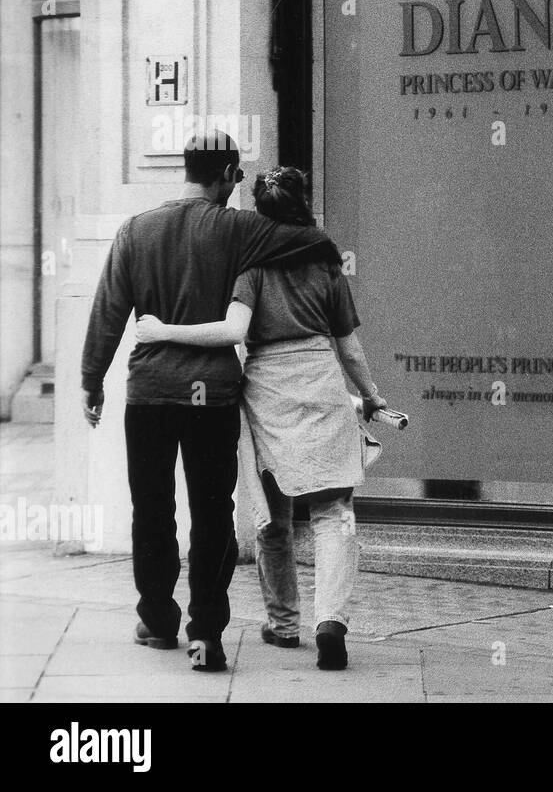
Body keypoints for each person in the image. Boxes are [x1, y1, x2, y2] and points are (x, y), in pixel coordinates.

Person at [81, 132, 342, 672]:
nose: (238, 184)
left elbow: (107, 310)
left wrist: (91, 380)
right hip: (212, 397)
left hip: (150, 393)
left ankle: (156, 619)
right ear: (226, 172)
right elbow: (307, 238)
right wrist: (321, 244)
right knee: (212, 514)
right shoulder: (238, 230)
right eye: (238, 175)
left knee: (151, 510)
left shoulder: (135, 230)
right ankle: (206, 634)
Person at [136, 167, 385, 671]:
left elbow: (233, 330)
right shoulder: (325, 262)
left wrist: (163, 330)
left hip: (267, 388)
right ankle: (330, 622)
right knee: (333, 511)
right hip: (320, 378)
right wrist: (372, 397)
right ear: (304, 204)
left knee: (274, 515)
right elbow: (351, 349)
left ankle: (284, 624)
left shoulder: (252, 265)